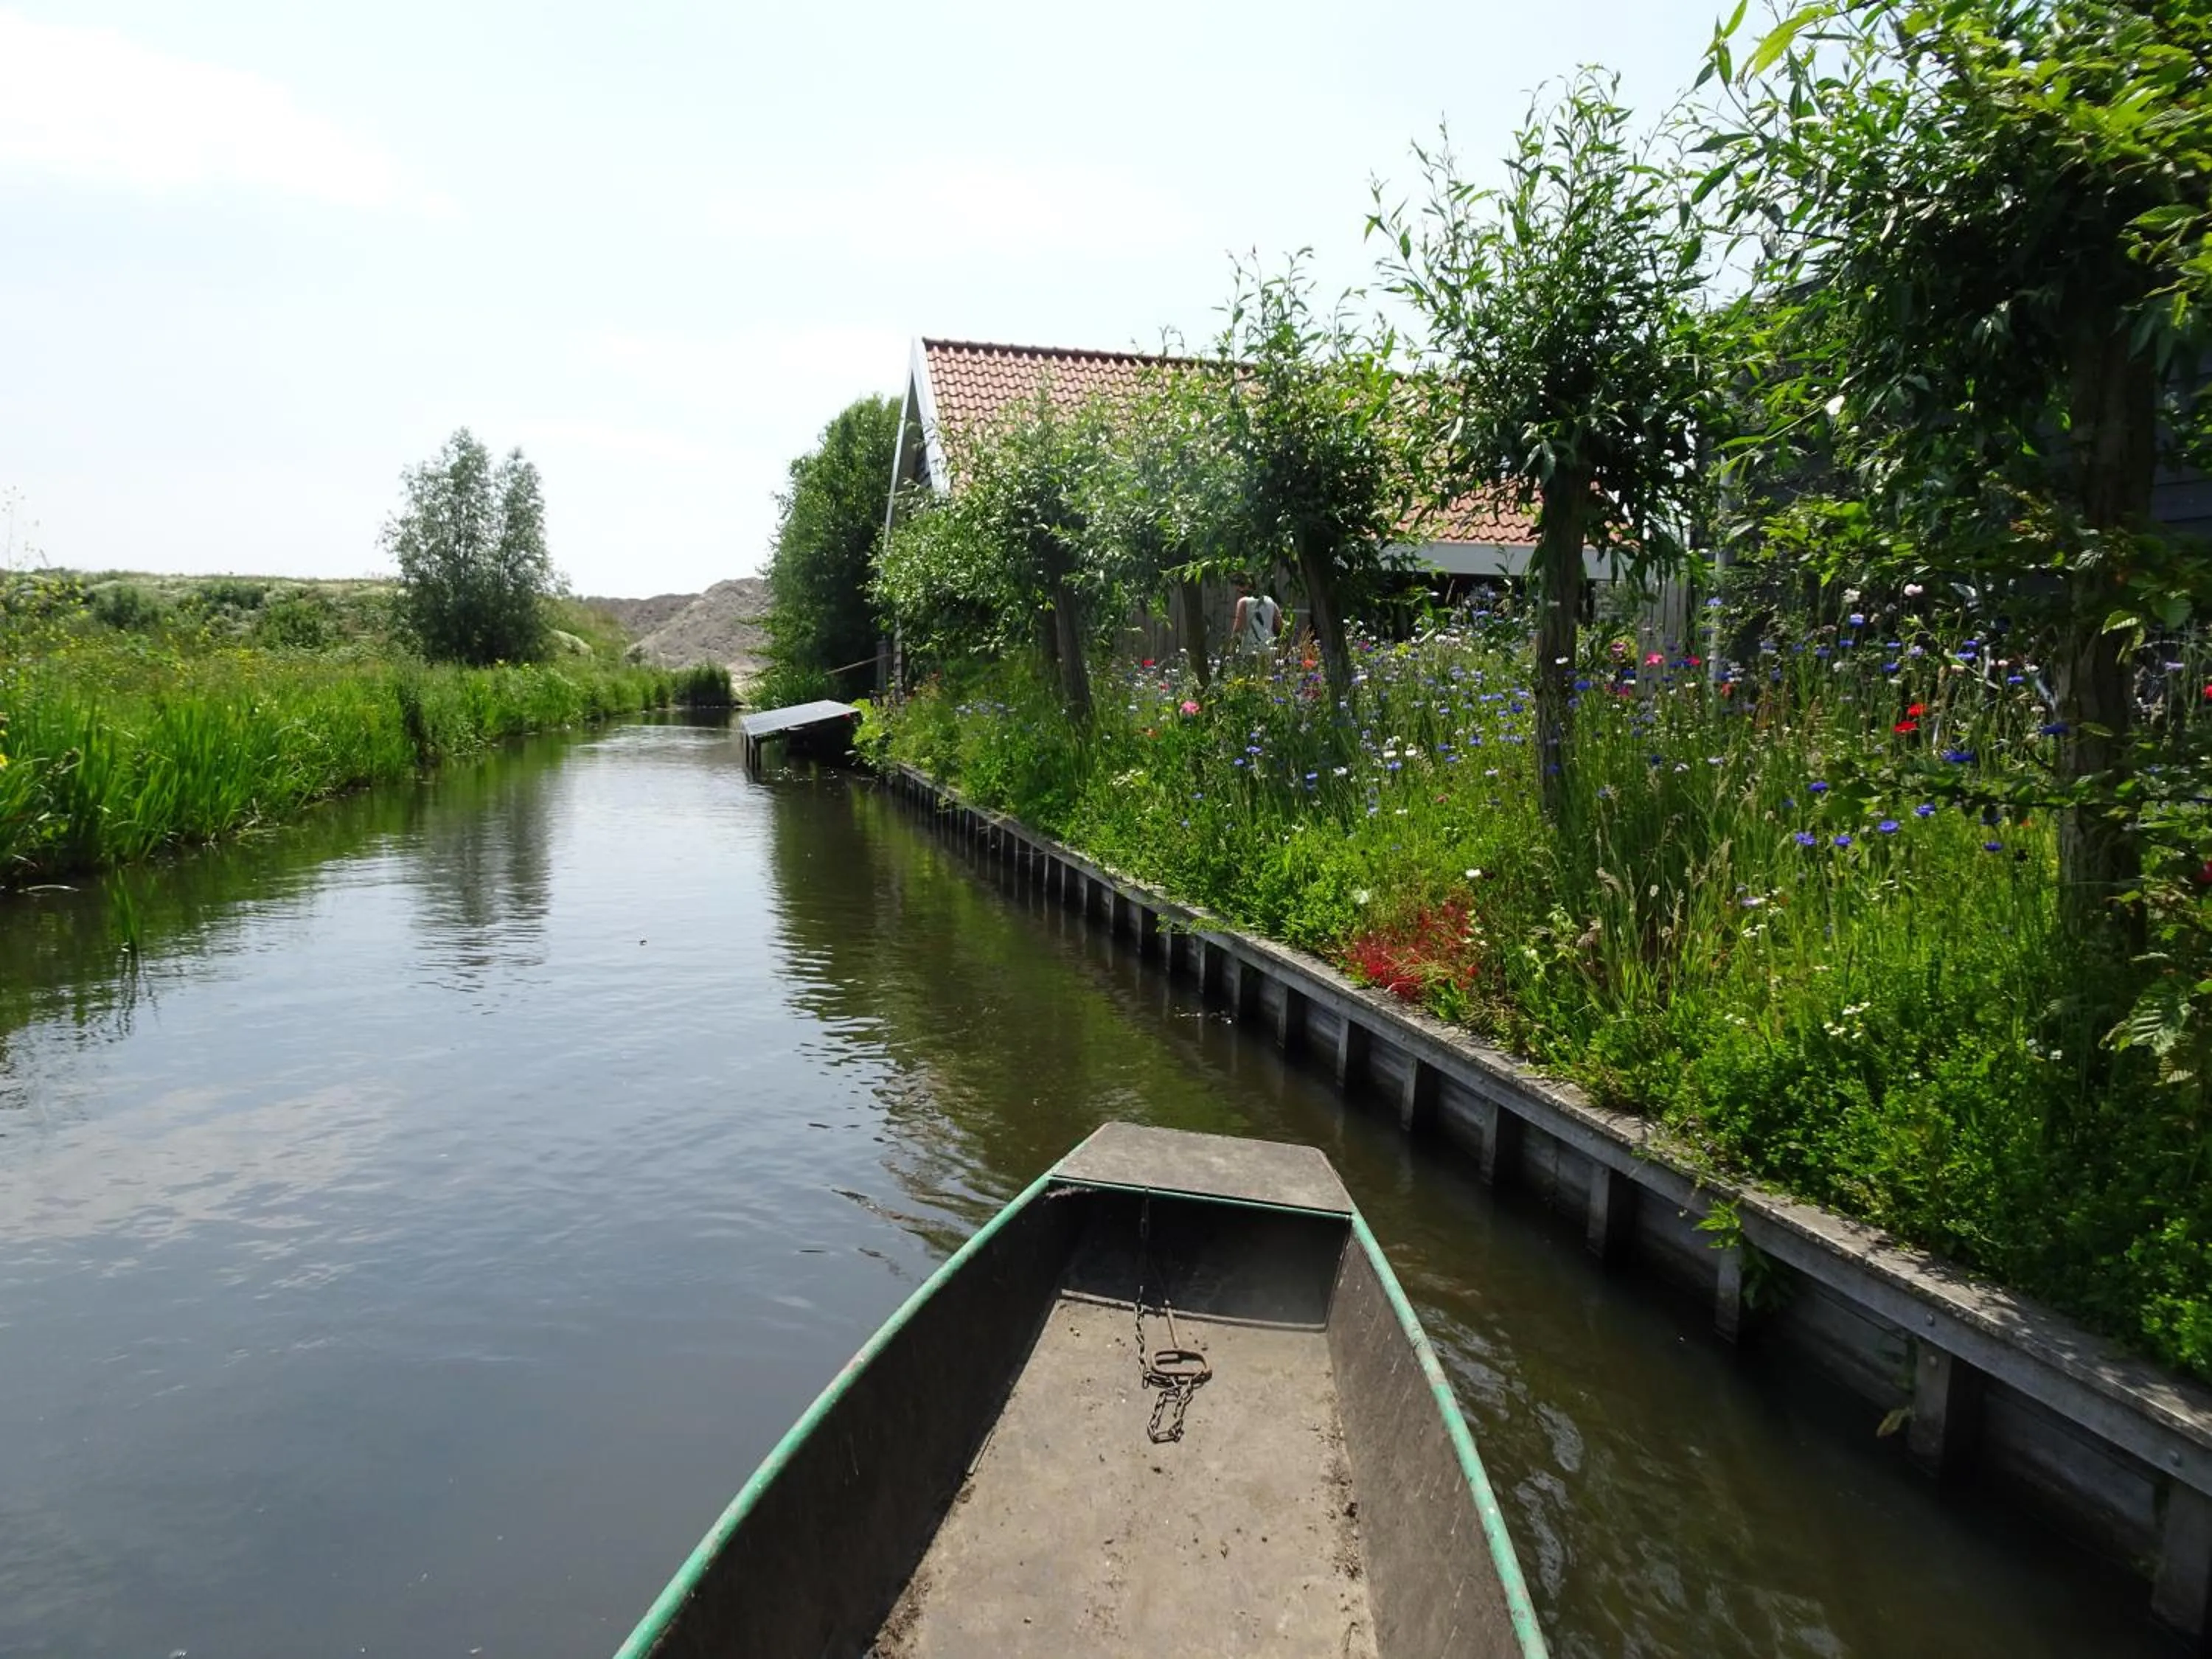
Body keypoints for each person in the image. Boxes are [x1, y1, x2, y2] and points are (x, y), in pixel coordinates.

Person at [1230, 577, 1281, 657]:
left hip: (1250, 650)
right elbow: (1279, 626)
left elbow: (1238, 628)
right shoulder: (1271, 602)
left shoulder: (1243, 602)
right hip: (1268, 648)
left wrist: (1231, 650)